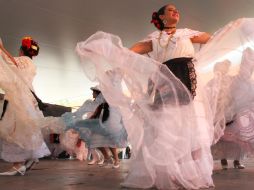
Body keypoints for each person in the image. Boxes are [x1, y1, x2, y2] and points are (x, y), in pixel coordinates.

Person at [75, 3, 215, 189]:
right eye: (170, 9)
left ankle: (192, 175)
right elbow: (127, 53)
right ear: (162, 17)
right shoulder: (153, 39)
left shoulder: (186, 33)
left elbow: (212, 39)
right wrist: (102, 49)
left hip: (189, 81)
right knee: (168, 126)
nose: (176, 11)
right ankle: (171, 174)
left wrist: (233, 30)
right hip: (164, 84)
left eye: (176, 9)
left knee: (193, 128)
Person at [0, 40, 50, 175]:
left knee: (16, 130)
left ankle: (17, 165)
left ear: (22, 50)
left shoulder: (22, 60)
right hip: (29, 99)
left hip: (19, 99)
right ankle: (32, 157)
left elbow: (9, 63)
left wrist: (1, 48)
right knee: (28, 129)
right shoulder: (32, 64)